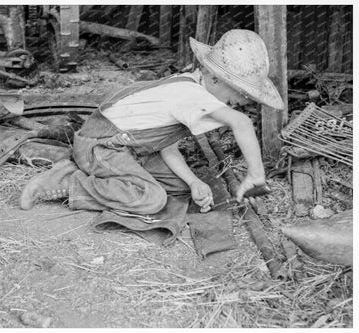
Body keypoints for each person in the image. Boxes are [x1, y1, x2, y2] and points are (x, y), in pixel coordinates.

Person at [19, 29, 284, 216]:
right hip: (101, 146)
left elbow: (166, 147)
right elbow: (242, 123)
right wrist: (256, 175)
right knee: (151, 199)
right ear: (214, 78)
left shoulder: (191, 86)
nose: (243, 101)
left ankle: (102, 176)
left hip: (131, 149)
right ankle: (66, 182)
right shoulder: (190, 95)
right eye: (240, 92)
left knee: (181, 187)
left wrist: (193, 183)